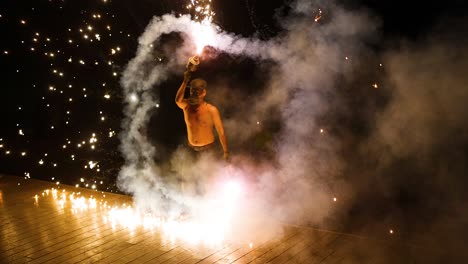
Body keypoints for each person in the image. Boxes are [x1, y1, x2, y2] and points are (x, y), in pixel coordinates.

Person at [175, 70, 229, 160]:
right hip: (192, 149)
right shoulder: (186, 105)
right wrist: (185, 81)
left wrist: (226, 151)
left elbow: (221, 131)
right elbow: (177, 100)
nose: (194, 93)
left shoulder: (211, 109)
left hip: (209, 150)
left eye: (197, 91)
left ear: (203, 93)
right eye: (192, 90)